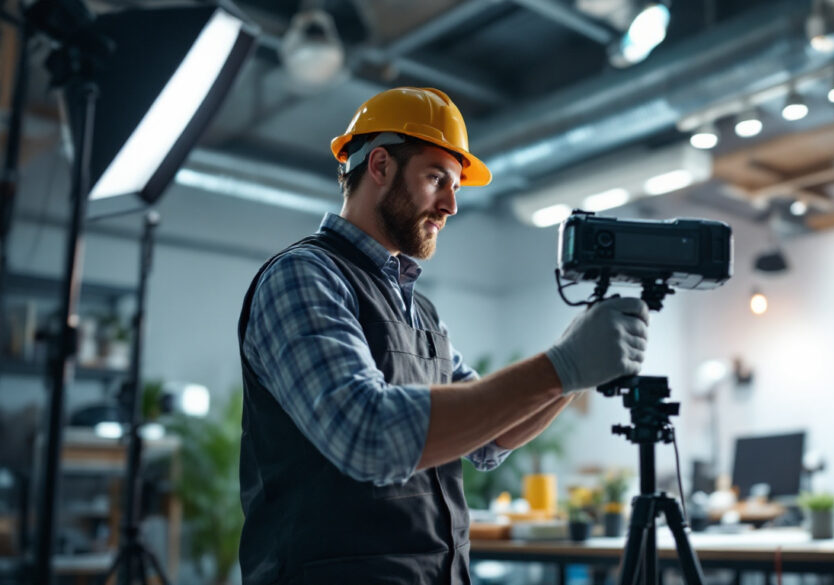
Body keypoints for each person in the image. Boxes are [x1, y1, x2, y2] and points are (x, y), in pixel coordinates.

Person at [237, 87, 648, 585]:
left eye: (455, 186)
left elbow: (491, 438)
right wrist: (562, 367)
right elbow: (365, 434)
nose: (451, 205)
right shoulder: (305, 276)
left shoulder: (421, 310)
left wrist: (575, 374)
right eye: (436, 178)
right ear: (380, 165)